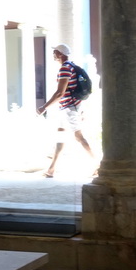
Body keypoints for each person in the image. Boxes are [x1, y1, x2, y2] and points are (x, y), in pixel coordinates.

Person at [36, 43, 95, 177]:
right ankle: (51, 169)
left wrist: (44, 107)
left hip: (69, 107)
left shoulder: (65, 69)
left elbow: (60, 93)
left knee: (78, 137)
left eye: (55, 52)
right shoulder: (71, 66)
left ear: (60, 54)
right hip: (69, 107)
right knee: (60, 136)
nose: (53, 54)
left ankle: (97, 164)